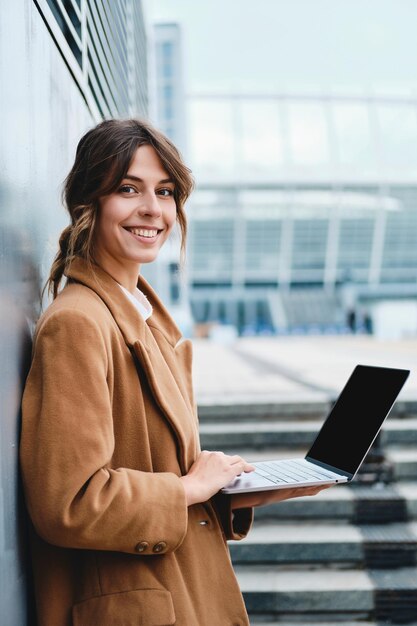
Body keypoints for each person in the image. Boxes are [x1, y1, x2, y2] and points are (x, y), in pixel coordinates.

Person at [20, 118, 330, 626]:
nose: (152, 209)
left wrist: (233, 486)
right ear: (88, 204)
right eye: (128, 188)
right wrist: (188, 489)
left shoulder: (142, 316)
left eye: (165, 192)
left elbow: (153, 473)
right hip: (131, 607)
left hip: (174, 590)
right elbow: (68, 503)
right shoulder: (78, 323)